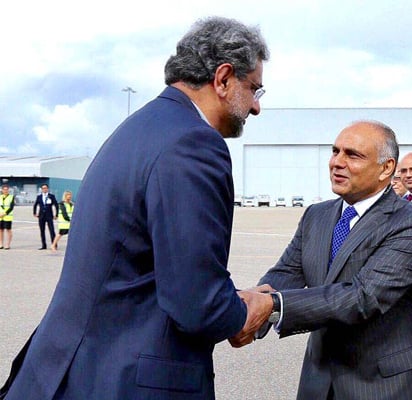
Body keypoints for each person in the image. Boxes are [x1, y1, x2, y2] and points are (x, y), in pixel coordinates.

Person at [1, 17, 273, 400]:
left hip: (72, 370)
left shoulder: (138, 128)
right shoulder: (195, 144)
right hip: (123, 381)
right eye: (254, 89)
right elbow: (197, 304)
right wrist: (249, 310)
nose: (256, 108)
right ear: (224, 78)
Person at [255, 121, 412, 400]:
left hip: (385, 385)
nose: (337, 163)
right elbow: (286, 271)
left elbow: (363, 296)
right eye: (335, 151)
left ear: (386, 168)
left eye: (352, 155)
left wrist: (273, 305)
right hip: (319, 380)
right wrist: (248, 308)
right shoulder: (316, 215)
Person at [32, 183, 58, 250]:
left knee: (52, 230)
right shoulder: (39, 197)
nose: (44, 189)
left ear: (47, 189)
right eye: (43, 188)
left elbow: (56, 205)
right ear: (41, 189)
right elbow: (35, 205)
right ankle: (44, 245)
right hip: (41, 216)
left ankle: (54, 244)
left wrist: (56, 214)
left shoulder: (51, 196)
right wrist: (35, 213)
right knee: (42, 231)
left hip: (49, 215)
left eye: (45, 188)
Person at [0, 183, 14, 250]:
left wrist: (4, 213)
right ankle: (1, 244)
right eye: (4, 189)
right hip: (0, 217)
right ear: (2, 190)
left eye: (7, 189)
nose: (5, 191)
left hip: (7, 216)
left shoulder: (11, 197)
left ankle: (8, 244)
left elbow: (11, 207)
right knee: (1, 230)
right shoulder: (0, 197)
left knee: (8, 230)